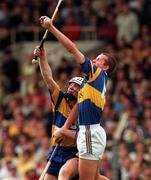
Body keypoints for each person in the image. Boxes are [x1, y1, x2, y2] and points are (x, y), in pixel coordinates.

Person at [39, 15, 117, 180]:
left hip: (89, 133)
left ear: (106, 67)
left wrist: (51, 28)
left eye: (99, 59)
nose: (94, 60)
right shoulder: (90, 84)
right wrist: (65, 128)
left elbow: (72, 49)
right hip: (89, 133)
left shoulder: (97, 74)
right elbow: (77, 107)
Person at [33, 46, 83, 180]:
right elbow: (49, 79)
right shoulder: (60, 100)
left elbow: (84, 137)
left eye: (77, 86)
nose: (72, 87)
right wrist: (42, 58)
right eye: (71, 84)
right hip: (56, 150)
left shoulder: (85, 110)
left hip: (74, 153)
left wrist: (64, 132)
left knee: (63, 176)